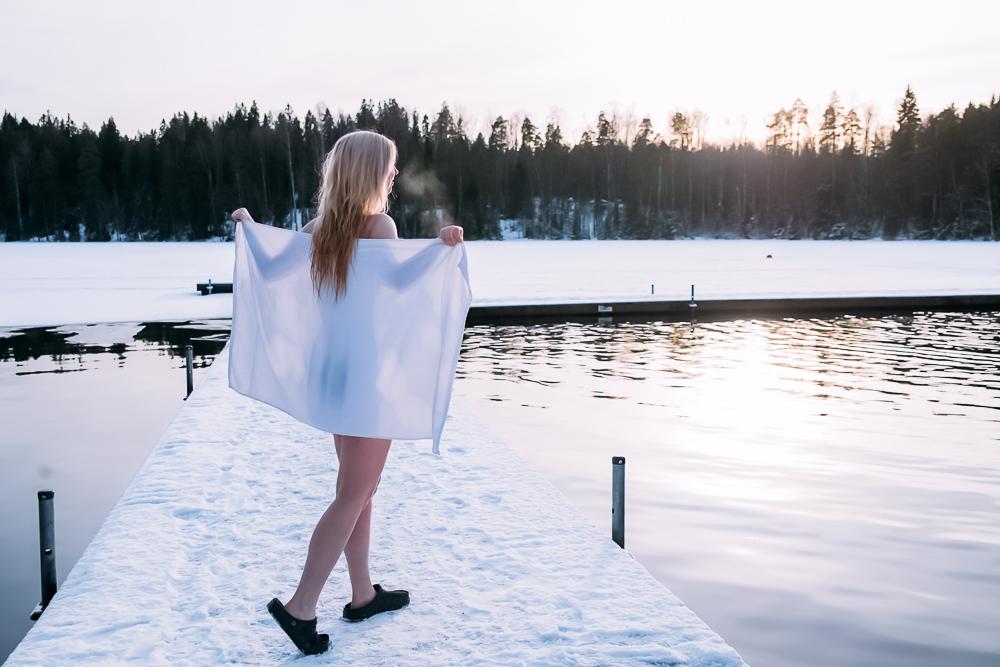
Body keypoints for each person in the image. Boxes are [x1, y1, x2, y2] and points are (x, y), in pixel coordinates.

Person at [231, 129, 464, 655]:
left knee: (360, 489)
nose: (394, 176)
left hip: (331, 373)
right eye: (389, 168)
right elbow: (403, 285)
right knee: (353, 493)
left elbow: (268, 269)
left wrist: (248, 228)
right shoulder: (379, 224)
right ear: (371, 173)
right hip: (366, 375)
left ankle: (362, 595)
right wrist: (443, 246)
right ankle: (300, 608)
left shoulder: (318, 228)